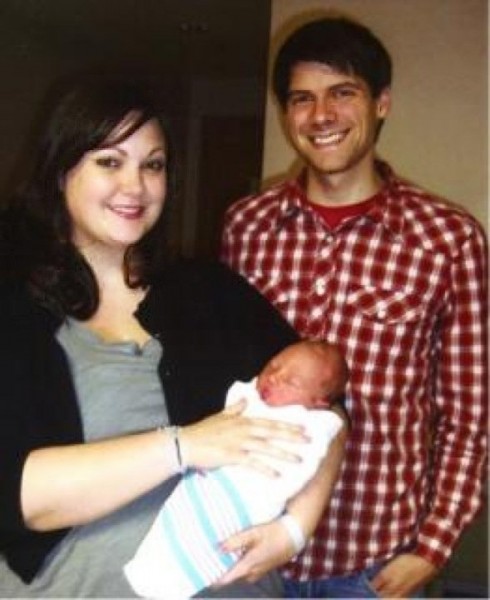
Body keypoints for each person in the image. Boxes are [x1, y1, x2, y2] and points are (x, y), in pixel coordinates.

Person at [0, 73, 347, 598]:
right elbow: (21, 495)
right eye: (109, 162)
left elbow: (329, 413)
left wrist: (296, 529)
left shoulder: (213, 291)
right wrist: (186, 446)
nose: (135, 187)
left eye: (153, 165)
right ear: (61, 170)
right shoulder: (15, 306)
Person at [221, 14, 488, 599]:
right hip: (249, 554)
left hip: (374, 565)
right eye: (301, 99)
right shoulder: (245, 228)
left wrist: (433, 546)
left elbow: (469, 416)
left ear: (381, 102)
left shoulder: (449, 240)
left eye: (343, 93)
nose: (321, 117)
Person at [125, 340, 348, 599]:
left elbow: (329, 432)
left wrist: (295, 532)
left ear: (318, 403)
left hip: (246, 502)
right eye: (273, 365)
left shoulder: (312, 423)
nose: (274, 377)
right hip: (204, 483)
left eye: (292, 382)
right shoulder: (251, 395)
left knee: (208, 546)